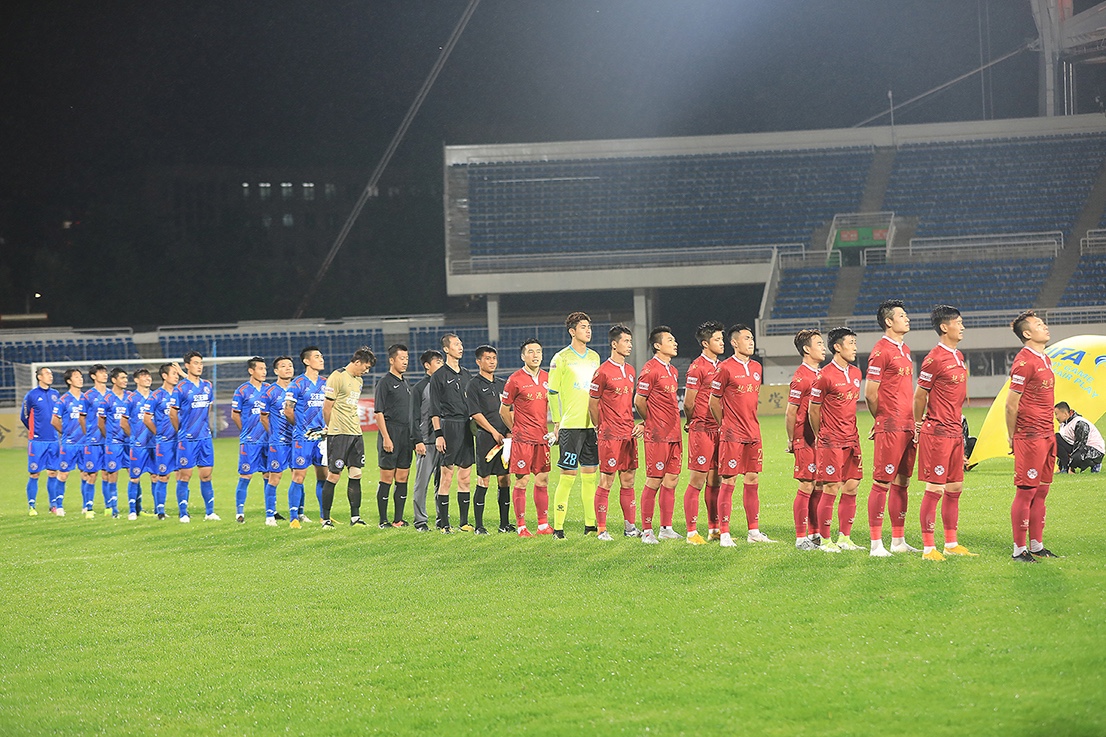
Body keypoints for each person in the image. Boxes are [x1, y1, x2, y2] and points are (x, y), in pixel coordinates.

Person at [914, 305, 977, 560]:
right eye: (958, 323)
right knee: (935, 490)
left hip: (955, 432)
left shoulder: (958, 356)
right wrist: (918, 423)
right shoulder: (934, 358)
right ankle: (928, 548)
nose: (962, 327)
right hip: (938, 432)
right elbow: (920, 395)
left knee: (955, 487)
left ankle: (951, 543)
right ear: (944, 327)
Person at [710, 323, 775, 547]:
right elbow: (713, 402)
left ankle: (753, 531)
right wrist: (724, 424)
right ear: (734, 342)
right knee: (729, 480)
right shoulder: (725, 368)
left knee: (753, 479)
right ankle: (724, 533)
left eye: (752, 338)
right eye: (746, 338)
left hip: (753, 432)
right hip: (732, 434)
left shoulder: (757, 367)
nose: (751, 342)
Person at [864, 299, 919, 557]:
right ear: (889, 321)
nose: (907, 319)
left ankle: (898, 541)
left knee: (902, 482)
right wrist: (882, 418)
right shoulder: (881, 350)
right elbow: (870, 393)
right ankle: (876, 544)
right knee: (881, 483)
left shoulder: (905, 349)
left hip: (908, 424)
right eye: (901, 315)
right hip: (891, 425)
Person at [1007, 310, 1061, 562]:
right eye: (1039, 324)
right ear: (1027, 333)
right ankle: (1019, 550)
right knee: (1026, 492)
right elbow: (1011, 404)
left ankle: (1037, 545)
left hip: (1047, 433)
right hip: (1029, 435)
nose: (1045, 326)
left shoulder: (1045, 359)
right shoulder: (1024, 361)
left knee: (1041, 492)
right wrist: (1012, 436)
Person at [809, 327, 864, 553]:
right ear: (837, 347)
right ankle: (825, 540)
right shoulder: (824, 376)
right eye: (851, 343)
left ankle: (845, 538)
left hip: (852, 438)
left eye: (855, 343)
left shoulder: (857, 373)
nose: (855, 347)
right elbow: (813, 410)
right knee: (831, 487)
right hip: (831, 440)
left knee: (852, 486)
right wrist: (820, 435)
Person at [548, 311, 601, 536]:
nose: (588, 330)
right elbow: (552, 392)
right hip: (571, 426)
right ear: (572, 331)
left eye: (589, 326)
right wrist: (557, 422)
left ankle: (590, 526)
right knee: (568, 477)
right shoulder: (561, 358)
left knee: (590, 477)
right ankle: (558, 528)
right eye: (583, 327)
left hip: (591, 426)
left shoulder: (595, 357)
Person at [589, 325, 642, 541]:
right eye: (626, 341)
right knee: (606, 481)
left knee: (628, 480)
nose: (630, 345)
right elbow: (592, 404)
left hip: (628, 433)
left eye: (630, 341)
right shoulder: (602, 372)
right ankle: (601, 530)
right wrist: (599, 427)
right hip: (610, 435)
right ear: (614, 344)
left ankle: (630, 528)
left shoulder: (630, 370)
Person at [635, 326, 683, 544]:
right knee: (654, 480)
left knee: (671, 480)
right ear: (657, 345)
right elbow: (639, 401)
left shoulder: (672, 371)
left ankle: (666, 528)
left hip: (674, 434)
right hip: (657, 436)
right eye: (670, 340)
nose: (675, 343)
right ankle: (647, 531)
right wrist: (650, 421)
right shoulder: (650, 369)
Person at [319, 346, 375, 529]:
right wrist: (330, 427)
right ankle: (325, 519)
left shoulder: (358, 381)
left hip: (355, 432)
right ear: (357, 362)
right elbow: (327, 407)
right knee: (334, 475)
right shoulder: (337, 376)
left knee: (356, 473)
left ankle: (355, 517)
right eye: (365, 367)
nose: (366, 371)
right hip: (339, 433)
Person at [500, 339, 551, 537]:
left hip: (542, 438)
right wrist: (515, 430)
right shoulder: (515, 379)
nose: (535, 355)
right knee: (522, 481)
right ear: (523, 356)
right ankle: (521, 526)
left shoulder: (548, 378)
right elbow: (504, 410)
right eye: (530, 352)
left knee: (543, 480)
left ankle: (542, 525)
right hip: (523, 440)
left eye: (538, 351)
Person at [682, 321, 725, 544]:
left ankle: (714, 529)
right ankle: (691, 533)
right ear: (705, 343)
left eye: (722, 339)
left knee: (715, 481)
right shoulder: (697, 367)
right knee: (697, 480)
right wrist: (692, 422)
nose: (722, 343)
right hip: (702, 430)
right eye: (717, 339)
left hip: (719, 430)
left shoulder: (723, 367)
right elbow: (688, 402)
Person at [429, 333, 475, 533]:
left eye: (461, 344)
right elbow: (434, 409)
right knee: (446, 477)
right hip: (449, 427)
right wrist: (438, 434)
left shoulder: (467, 374)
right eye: (456, 344)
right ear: (446, 349)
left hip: (466, 427)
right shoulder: (439, 376)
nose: (460, 347)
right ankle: (444, 523)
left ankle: (464, 522)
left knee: (465, 477)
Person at [786, 329, 825, 551]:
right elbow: (791, 412)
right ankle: (801, 538)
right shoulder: (801, 377)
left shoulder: (821, 374)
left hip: (821, 439)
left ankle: (815, 534)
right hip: (805, 439)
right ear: (807, 349)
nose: (823, 347)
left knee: (819, 484)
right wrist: (792, 439)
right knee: (807, 484)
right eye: (819, 344)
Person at [169, 351, 220, 522]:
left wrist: (203, 426)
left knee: (206, 475)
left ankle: (210, 512)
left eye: (201, 363)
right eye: (195, 363)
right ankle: (183, 513)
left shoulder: (207, 385)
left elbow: (208, 408)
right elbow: (172, 414)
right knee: (185, 476)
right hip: (187, 439)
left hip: (204, 438)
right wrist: (181, 431)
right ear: (187, 365)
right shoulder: (180, 388)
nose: (199, 366)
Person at [467, 345, 511, 535]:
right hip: (486, 438)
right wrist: (493, 432)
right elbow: (475, 413)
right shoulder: (473, 385)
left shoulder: (502, 384)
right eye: (487, 358)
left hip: (505, 439)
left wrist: (509, 431)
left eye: (494, 358)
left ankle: (504, 524)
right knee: (483, 479)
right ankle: (479, 526)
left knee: (505, 479)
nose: (492, 361)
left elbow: (509, 410)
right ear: (479, 362)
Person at [285, 346, 328, 524]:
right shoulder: (297, 384)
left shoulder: (326, 383)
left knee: (323, 476)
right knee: (299, 476)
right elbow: (288, 410)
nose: (321, 359)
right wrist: (301, 428)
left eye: (321, 356)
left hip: (322, 438)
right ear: (306, 361)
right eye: (317, 356)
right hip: (303, 438)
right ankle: (294, 518)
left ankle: (324, 516)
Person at [374, 344, 414, 529]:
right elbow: (379, 412)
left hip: (406, 435)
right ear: (392, 360)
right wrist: (386, 437)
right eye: (401, 358)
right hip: (391, 432)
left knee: (403, 477)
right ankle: (383, 520)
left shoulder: (406, 383)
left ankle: (398, 519)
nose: (405, 362)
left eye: (407, 358)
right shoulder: (384, 383)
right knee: (387, 477)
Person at [231, 357, 272, 524]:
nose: (264, 372)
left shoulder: (269, 389)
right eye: (260, 368)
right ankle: (239, 512)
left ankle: (271, 511)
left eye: (265, 368)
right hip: (250, 441)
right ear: (251, 371)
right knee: (246, 474)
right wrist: (246, 431)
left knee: (269, 475)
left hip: (268, 440)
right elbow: (235, 415)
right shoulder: (242, 391)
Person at [410, 350, 444, 532]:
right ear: (427, 365)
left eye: (442, 361)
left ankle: (442, 519)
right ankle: (420, 521)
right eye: (437, 362)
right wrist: (418, 440)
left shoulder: (445, 385)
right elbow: (414, 417)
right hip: (427, 442)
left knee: (442, 483)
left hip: (444, 442)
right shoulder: (419, 387)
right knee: (422, 484)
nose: (441, 365)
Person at [20, 367, 59, 516]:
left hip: (53, 440)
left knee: (52, 472)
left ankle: (53, 505)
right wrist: (34, 431)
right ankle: (32, 506)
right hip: (37, 442)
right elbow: (24, 416)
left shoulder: (55, 394)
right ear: (39, 377)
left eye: (51, 373)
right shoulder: (31, 395)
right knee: (34, 473)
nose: (51, 376)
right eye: (48, 373)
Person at [263, 356, 296, 525]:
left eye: (290, 365)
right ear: (276, 371)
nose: (288, 368)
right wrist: (273, 434)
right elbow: (263, 417)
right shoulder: (270, 392)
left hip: (296, 440)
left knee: (298, 476)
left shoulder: (297, 388)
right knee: (275, 477)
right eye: (283, 366)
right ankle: (270, 515)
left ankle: (298, 513)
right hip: (279, 441)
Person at [98, 367, 132, 519]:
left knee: (134, 473)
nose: (125, 380)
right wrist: (109, 438)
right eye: (122, 378)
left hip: (129, 442)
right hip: (114, 443)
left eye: (126, 378)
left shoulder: (131, 397)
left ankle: (135, 508)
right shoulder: (106, 399)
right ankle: (113, 508)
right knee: (112, 474)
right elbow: (100, 423)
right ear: (114, 380)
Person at [51, 368, 86, 516]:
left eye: (81, 376)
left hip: (85, 443)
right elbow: (54, 420)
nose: (81, 379)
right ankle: (58, 506)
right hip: (69, 444)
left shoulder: (86, 399)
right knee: (63, 474)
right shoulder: (63, 400)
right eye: (77, 377)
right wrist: (65, 432)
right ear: (69, 381)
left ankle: (86, 506)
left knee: (86, 474)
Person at [124, 368, 155, 520]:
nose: (148, 378)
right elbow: (123, 422)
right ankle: (132, 510)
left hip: (154, 444)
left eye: (149, 376)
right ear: (136, 380)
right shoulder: (131, 399)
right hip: (138, 446)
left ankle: (159, 510)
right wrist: (134, 436)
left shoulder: (156, 397)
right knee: (134, 477)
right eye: (144, 376)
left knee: (156, 476)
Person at [79, 364, 109, 518]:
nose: (105, 375)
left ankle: (108, 507)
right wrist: (89, 434)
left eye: (105, 372)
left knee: (107, 473)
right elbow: (81, 418)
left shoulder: (111, 394)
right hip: (93, 441)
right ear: (93, 376)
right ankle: (88, 506)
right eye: (101, 373)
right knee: (92, 474)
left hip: (109, 440)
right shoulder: (87, 396)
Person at [1054, 402, 1104, 473]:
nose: (1056, 417)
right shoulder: (1063, 425)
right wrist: (1060, 465)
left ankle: (1096, 463)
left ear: (1065, 414)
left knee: (1078, 454)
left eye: (1056, 414)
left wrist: (1071, 467)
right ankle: (1064, 468)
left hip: (1094, 451)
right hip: (1081, 447)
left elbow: (1080, 445)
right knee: (1054, 439)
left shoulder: (1079, 423)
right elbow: (1063, 447)